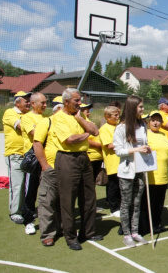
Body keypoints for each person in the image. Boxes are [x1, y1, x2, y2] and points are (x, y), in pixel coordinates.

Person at [52, 89, 102, 250]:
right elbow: (70, 140)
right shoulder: (58, 117)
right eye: (76, 101)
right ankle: (71, 237)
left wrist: (81, 118)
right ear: (66, 101)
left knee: (89, 196)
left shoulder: (80, 116)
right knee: (68, 199)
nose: (80, 104)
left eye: (80, 100)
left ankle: (88, 232)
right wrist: (87, 134)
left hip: (83, 158)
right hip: (67, 159)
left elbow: (95, 131)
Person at [113, 95, 150, 247]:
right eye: (140, 107)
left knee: (137, 202)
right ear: (132, 107)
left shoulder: (143, 125)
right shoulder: (121, 128)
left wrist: (147, 149)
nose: (143, 109)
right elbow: (118, 151)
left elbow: (145, 144)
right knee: (126, 203)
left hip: (141, 170)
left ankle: (135, 232)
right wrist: (136, 149)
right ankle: (126, 234)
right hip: (127, 171)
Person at [34, 99, 63, 247]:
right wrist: (44, 165)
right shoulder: (46, 122)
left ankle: (62, 228)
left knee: (63, 202)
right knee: (47, 201)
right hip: (50, 169)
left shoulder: (70, 123)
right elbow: (37, 143)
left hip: (66, 170)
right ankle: (47, 234)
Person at [140, 111, 168, 234]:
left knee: (159, 203)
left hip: (163, 175)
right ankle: (144, 226)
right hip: (150, 176)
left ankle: (156, 224)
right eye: (153, 120)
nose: (155, 122)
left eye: (158, 120)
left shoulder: (164, 135)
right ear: (149, 122)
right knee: (147, 203)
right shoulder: (145, 135)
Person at [20, 92, 47, 234]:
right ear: (33, 103)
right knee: (31, 191)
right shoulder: (26, 118)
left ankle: (46, 219)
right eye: (42, 102)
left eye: (45, 102)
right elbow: (35, 133)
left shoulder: (46, 118)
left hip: (45, 158)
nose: (45, 105)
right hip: (33, 160)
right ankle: (29, 220)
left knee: (47, 191)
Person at [3, 91, 31, 225]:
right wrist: (35, 125)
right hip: (15, 155)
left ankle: (24, 208)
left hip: (27, 156)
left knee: (27, 185)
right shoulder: (10, 113)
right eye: (26, 101)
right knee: (17, 185)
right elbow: (22, 126)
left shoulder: (28, 115)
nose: (29, 103)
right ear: (17, 102)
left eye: (29, 100)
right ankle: (15, 213)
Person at [99, 106, 121, 217]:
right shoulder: (104, 129)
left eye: (118, 114)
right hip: (112, 162)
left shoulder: (119, 126)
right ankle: (113, 208)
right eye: (115, 115)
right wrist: (124, 143)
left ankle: (120, 205)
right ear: (107, 117)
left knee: (121, 185)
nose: (118, 117)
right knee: (113, 186)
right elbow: (109, 145)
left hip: (122, 161)